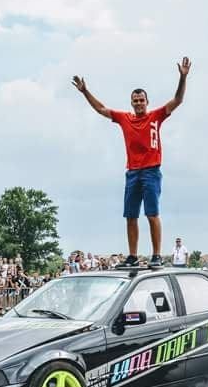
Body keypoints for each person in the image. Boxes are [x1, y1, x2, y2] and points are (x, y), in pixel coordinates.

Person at [73, 56, 192, 267]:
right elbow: (101, 109)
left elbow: (178, 100)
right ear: (131, 102)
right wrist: (84, 92)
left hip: (151, 171)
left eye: (142, 100)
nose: (139, 103)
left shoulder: (156, 116)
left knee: (152, 213)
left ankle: (156, 255)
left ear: (147, 101)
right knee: (131, 216)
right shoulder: (124, 118)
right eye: (135, 100)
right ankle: (133, 256)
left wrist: (182, 78)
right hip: (132, 172)